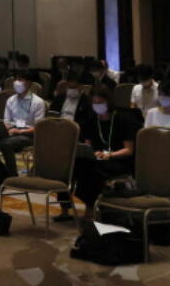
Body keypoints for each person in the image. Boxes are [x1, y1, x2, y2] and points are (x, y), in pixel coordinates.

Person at [55, 85, 138, 220]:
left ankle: (90, 207)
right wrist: (89, 151)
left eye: (100, 103)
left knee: (91, 170)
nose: (97, 106)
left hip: (118, 159)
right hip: (97, 157)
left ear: (108, 102)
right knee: (69, 166)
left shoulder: (123, 119)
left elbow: (129, 150)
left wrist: (110, 154)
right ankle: (65, 207)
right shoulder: (92, 119)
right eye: (94, 103)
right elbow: (88, 143)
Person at [0, 73, 46, 176]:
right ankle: (1, 171)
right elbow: (6, 120)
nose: (17, 82)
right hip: (12, 132)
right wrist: (8, 129)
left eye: (20, 79)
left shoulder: (38, 102)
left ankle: (12, 175)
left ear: (29, 83)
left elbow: (39, 127)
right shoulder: (11, 100)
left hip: (29, 135)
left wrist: (20, 131)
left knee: (5, 143)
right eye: (16, 79)